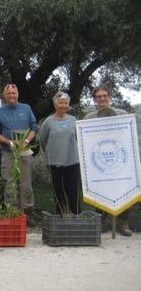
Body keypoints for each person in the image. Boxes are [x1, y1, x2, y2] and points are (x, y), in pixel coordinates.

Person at [84, 86, 132, 236]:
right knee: (100, 191)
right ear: (94, 100)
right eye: (99, 96)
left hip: (119, 160)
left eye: (105, 96)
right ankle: (102, 222)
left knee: (124, 190)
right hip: (98, 162)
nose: (102, 99)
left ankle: (122, 223)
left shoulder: (122, 114)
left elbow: (128, 136)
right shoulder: (88, 118)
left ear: (109, 97)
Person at [0, 83, 38, 226]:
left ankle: (27, 214)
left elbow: (34, 127)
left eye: (14, 93)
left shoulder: (26, 108)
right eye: (9, 94)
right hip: (8, 153)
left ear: (17, 94)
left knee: (26, 185)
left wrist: (26, 140)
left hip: (24, 152)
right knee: (10, 183)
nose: (12, 96)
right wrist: (9, 142)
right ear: (4, 96)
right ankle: (12, 214)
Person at [39, 92, 80, 215]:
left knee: (73, 192)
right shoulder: (48, 122)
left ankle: (76, 217)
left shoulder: (74, 120)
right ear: (55, 104)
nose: (63, 105)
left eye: (66, 103)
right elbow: (42, 140)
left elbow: (79, 138)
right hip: (54, 163)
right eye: (61, 103)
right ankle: (60, 218)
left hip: (72, 161)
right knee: (58, 192)